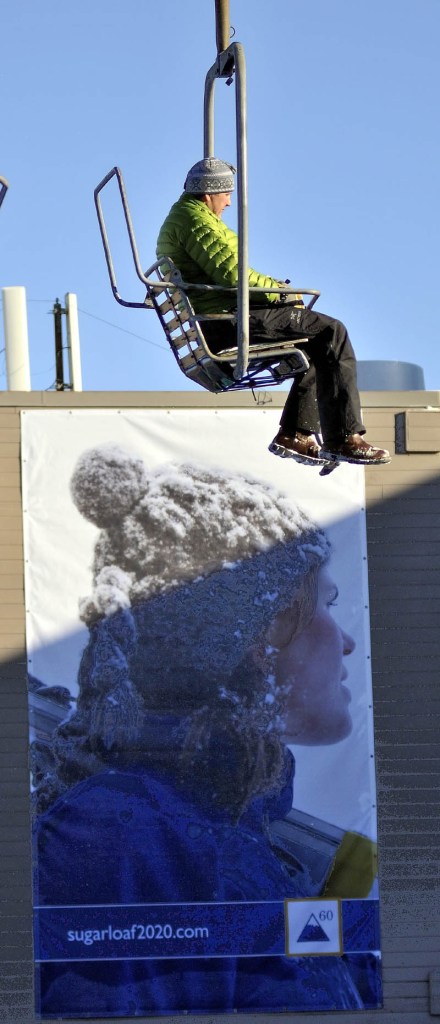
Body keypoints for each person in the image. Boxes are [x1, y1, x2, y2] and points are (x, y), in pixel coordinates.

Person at [31, 446, 381, 1016]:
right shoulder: (126, 837)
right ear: (263, 633)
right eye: (327, 602)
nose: (346, 641)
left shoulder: (231, 827)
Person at [156, 157, 391, 468]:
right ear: (209, 193)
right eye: (226, 193)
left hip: (222, 315)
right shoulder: (196, 223)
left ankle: (296, 433)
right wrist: (279, 293)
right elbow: (234, 275)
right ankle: (346, 438)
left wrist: (275, 292)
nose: (228, 202)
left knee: (315, 342)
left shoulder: (189, 218)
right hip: (226, 321)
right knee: (332, 332)